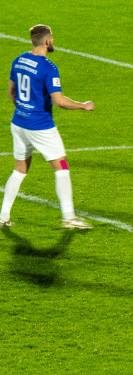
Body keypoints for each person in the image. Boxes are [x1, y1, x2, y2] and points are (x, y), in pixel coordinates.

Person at [1, 25, 93, 230]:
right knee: (61, 166)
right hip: (40, 126)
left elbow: (11, 93)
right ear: (47, 41)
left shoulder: (19, 60)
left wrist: (24, 110)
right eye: (52, 38)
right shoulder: (48, 67)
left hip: (19, 123)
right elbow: (59, 101)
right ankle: (69, 217)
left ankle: (3, 216)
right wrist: (82, 105)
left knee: (19, 169)